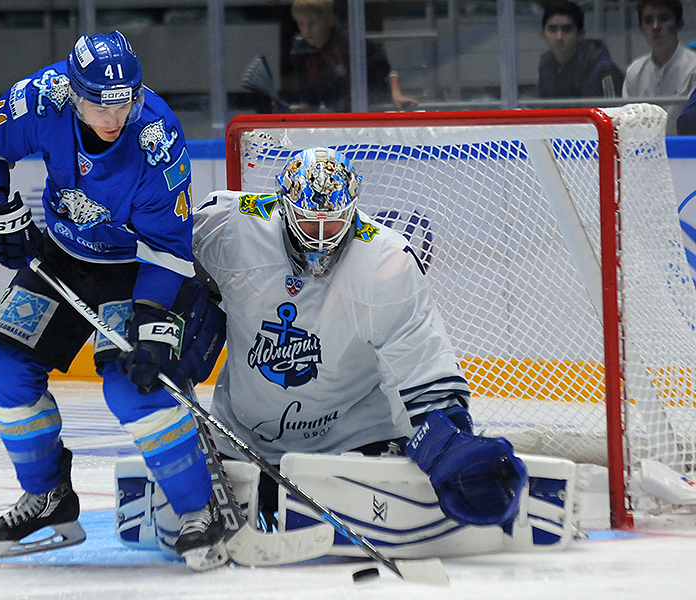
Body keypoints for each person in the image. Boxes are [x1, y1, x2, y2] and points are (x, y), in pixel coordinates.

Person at [0, 31, 227, 571]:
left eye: (123, 99)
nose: (112, 114)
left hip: (137, 268)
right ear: (71, 91)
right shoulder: (41, 97)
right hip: (63, 255)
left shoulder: (157, 139)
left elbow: (168, 248)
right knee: (2, 370)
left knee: (136, 388)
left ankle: (202, 511)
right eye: (97, 102)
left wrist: (152, 322)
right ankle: (48, 495)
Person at [191, 147, 527, 532]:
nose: (319, 238)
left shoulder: (385, 261)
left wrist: (448, 442)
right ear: (283, 206)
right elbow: (163, 252)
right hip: (241, 436)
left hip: (354, 437)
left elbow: (416, 359)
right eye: (307, 221)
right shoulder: (229, 225)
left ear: (353, 209)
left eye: (332, 224)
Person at [287, 0, 416, 112]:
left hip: (374, 109)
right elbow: (312, 103)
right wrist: (293, 110)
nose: (306, 31)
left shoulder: (350, 42)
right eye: (301, 24)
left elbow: (388, 71)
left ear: (330, 21)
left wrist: (397, 96)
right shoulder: (300, 52)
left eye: (312, 23)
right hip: (342, 116)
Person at [623, 0, 696, 135]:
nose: (655, 26)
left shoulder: (694, 67)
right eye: (648, 20)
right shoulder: (635, 71)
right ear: (641, 28)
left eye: (664, 18)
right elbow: (627, 124)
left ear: (680, 25)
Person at [537, 1, 623, 98]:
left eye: (567, 29)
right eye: (552, 29)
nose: (559, 37)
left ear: (581, 34)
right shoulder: (545, 67)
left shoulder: (604, 69)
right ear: (542, 34)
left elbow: (613, 110)